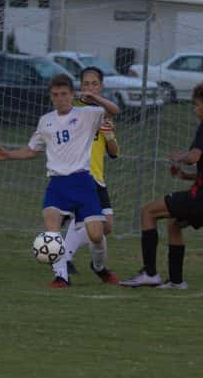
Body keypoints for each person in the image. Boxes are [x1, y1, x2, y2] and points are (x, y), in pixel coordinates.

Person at [0, 73, 120, 288]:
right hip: (57, 185)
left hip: (83, 182)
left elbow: (115, 111)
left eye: (64, 94)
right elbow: (32, 150)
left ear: (71, 94)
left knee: (96, 235)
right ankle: (61, 277)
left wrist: (96, 99)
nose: (60, 99)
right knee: (52, 230)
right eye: (55, 95)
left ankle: (99, 267)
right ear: (51, 96)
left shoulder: (88, 114)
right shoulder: (46, 121)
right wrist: (9, 154)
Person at [119, 80, 203, 289]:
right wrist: (184, 176)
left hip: (202, 197)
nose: (195, 109)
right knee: (174, 223)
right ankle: (176, 281)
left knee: (147, 212)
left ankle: (149, 273)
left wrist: (180, 156)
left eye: (197, 104)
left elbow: (194, 157)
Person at [51, 66, 120, 285]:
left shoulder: (103, 112)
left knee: (105, 227)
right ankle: (63, 267)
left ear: (102, 86)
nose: (90, 88)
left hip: (97, 177)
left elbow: (114, 152)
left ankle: (94, 265)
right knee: (82, 221)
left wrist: (109, 137)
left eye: (94, 84)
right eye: (86, 84)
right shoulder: (74, 108)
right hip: (77, 175)